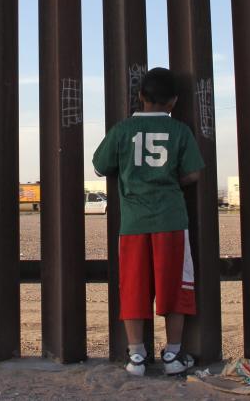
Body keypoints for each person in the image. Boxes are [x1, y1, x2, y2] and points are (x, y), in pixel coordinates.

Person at [92, 67, 204, 376]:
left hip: (133, 223)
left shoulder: (123, 129)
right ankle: (172, 355)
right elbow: (194, 173)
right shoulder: (180, 131)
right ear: (174, 102)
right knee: (174, 287)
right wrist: (170, 181)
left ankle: (137, 356)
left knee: (133, 286)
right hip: (170, 220)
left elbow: (100, 166)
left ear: (140, 97)